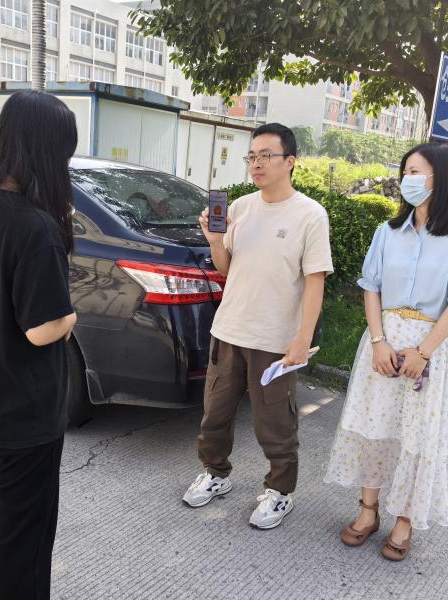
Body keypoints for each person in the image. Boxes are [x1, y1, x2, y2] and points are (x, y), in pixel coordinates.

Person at [324, 142, 448, 560]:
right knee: (374, 427)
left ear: (440, 178)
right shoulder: (388, 232)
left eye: (416, 172)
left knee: (417, 436)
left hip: (428, 346)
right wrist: (379, 342)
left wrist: (423, 353)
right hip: (383, 341)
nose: (407, 180)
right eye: (406, 171)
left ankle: (404, 520)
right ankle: (368, 511)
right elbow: (371, 288)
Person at [0, 90, 78, 599]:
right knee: (22, 545)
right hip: (26, 415)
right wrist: (71, 316)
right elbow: (42, 327)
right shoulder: (36, 228)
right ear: (47, 151)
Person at [182, 122, 334, 530]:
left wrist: (302, 338)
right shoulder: (241, 208)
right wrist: (215, 241)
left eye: (266, 155)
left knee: (275, 423)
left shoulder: (309, 215)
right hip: (229, 331)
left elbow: (315, 281)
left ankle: (280, 491)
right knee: (214, 415)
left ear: (290, 161)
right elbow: (226, 269)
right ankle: (215, 473)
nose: (256, 163)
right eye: (252, 156)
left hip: (274, 340)